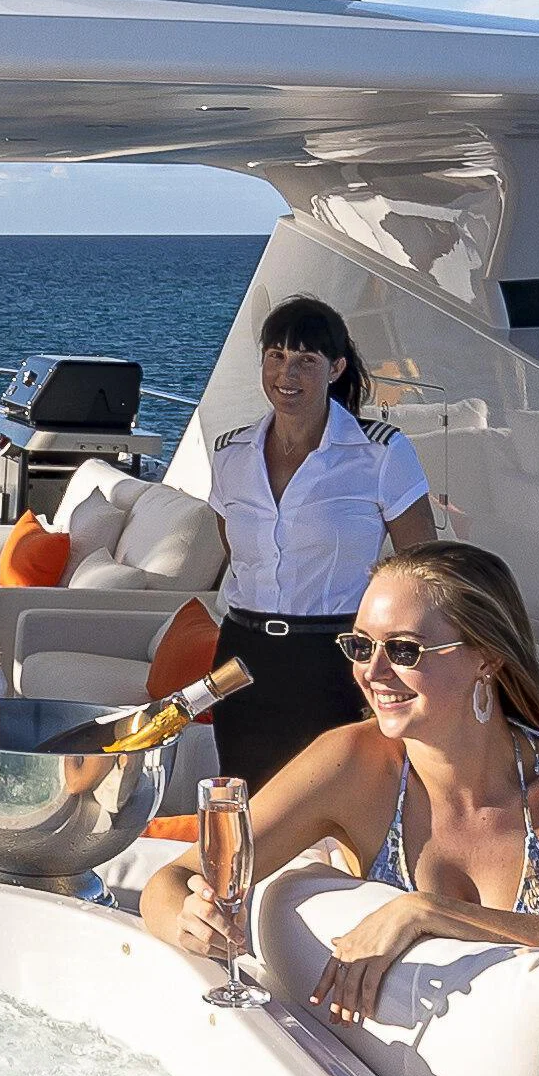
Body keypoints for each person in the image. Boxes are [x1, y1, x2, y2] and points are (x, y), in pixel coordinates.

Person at [150, 541, 539, 1014]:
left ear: (488, 657)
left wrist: (428, 912)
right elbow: (170, 882)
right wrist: (189, 922)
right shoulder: (350, 764)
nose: (372, 671)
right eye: (361, 646)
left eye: (405, 650)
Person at [190, 295, 441, 787]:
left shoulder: (380, 453)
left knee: (339, 802)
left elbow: (421, 567)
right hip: (242, 657)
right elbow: (237, 552)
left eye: (307, 360)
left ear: (335, 368)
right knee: (245, 802)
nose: (288, 374)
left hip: (337, 659)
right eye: (277, 356)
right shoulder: (230, 454)